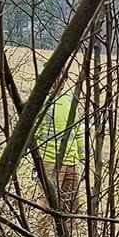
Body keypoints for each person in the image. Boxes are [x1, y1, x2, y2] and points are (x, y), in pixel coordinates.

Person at [36, 84, 81, 218]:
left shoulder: (69, 100)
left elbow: (78, 130)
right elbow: (31, 130)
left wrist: (82, 156)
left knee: (71, 207)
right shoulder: (41, 101)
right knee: (46, 206)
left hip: (71, 161)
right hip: (49, 161)